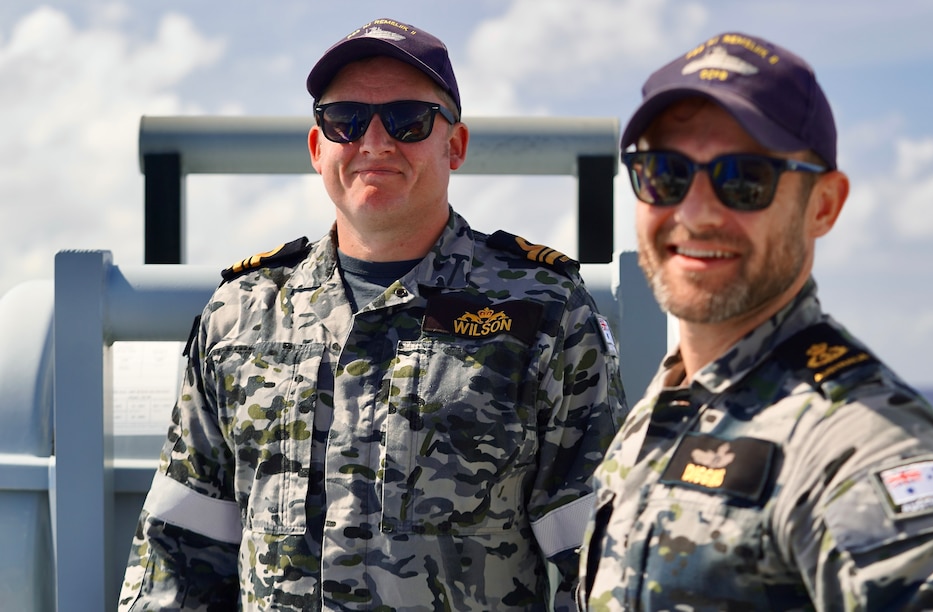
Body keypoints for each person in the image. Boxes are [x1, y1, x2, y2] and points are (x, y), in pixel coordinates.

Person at [118, 17, 626, 611]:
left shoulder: (543, 312)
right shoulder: (240, 315)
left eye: (409, 120)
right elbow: (179, 551)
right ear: (318, 148)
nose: (376, 142)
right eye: (346, 121)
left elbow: (592, 559)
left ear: (454, 146)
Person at [577, 32, 933, 611]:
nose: (694, 212)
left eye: (744, 178)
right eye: (664, 172)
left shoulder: (855, 444)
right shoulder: (667, 403)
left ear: (823, 205)